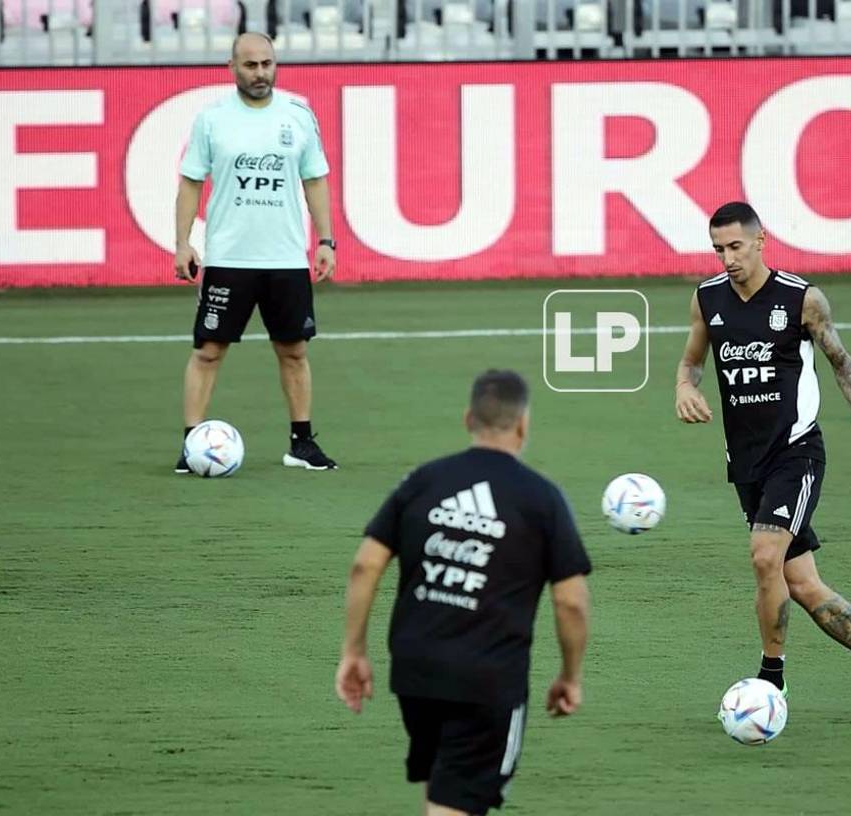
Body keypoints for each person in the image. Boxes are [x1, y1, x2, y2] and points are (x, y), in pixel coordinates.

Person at [674, 201, 851, 730]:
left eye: (736, 246)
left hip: (796, 452)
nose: (728, 258)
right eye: (718, 249)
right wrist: (683, 388)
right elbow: (692, 361)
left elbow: (839, 358)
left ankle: (772, 679)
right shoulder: (707, 298)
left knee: (764, 556)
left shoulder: (801, 298)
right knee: (806, 588)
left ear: (760, 240)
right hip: (745, 463)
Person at [336, 370, 592, 815]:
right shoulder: (542, 499)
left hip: (415, 672)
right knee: (454, 801)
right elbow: (570, 601)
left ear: (468, 419)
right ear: (523, 424)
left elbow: (365, 565)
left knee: (443, 790)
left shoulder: (423, 481)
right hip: (487, 680)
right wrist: (570, 676)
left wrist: (353, 651)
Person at [173, 31, 338, 473]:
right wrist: (183, 243)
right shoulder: (212, 119)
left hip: (285, 258)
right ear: (232, 67)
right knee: (208, 351)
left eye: (267, 63)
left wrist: (325, 240)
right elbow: (191, 182)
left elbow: (315, 179)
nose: (260, 73)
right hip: (229, 257)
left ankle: (301, 444)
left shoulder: (298, 114)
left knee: (294, 351)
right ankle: (191, 445)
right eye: (250, 65)